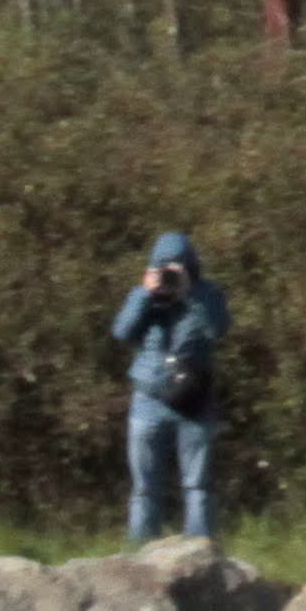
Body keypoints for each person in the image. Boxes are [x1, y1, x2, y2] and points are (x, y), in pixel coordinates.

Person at [114, 229, 232, 543]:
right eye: (163, 266)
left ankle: (202, 557)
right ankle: (139, 559)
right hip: (149, 401)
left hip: (194, 401)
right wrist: (144, 295)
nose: (169, 272)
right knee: (145, 489)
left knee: (197, 487)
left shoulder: (208, 294)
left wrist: (189, 295)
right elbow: (122, 332)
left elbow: (217, 330)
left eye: (176, 266)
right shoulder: (143, 294)